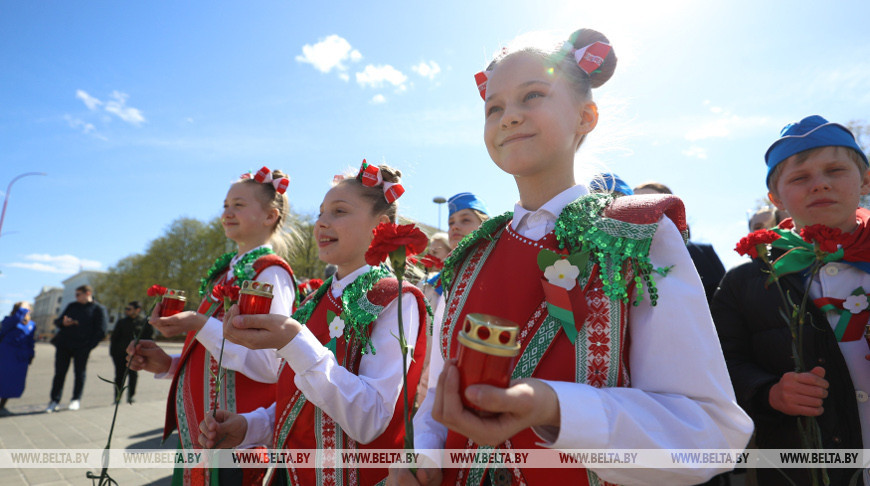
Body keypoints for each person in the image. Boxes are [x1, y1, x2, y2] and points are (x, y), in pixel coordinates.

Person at [389, 28, 752, 486]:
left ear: (586, 115)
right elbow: (440, 400)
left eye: (532, 95)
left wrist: (554, 407)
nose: (509, 117)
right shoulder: (470, 256)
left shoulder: (635, 232)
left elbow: (708, 432)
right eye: (494, 107)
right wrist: (422, 459)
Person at [198, 161, 429, 486]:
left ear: (381, 225)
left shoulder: (395, 298)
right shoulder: (315, 301)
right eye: (320, 213)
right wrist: (251, 426)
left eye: (339, 211)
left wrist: (294, 340)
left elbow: (372, 419)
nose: (321, 223)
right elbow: (300, 399)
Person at [713, 115, 870, 485]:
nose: (820, 184)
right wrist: (768, 392)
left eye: (835, 169)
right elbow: (720, 364)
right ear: (776, 198)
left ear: (864, 180)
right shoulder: (746, 283)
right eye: (800, 178)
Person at [128, 166, 297, 485]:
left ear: (270, 216)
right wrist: (168, 363)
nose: (227, 213)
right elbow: (217, 358)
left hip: (237, 443)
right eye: (225, 205)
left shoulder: (270, 273)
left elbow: (268, 364)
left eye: (239, 205)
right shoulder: (225, 275)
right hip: (201, 437)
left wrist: (198, 322)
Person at [632, 180, 726, 304]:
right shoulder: (623, 256)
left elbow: (722, 302)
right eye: (633, 204)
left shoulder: (702, 252)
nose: (641, 210)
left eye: (648, 202)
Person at [46, 285, 106, 413]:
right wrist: (63, 323)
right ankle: (54, 400)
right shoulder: (72, 306)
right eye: (76, 294)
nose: (76, 297)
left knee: (79, 373)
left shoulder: (98, 309)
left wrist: (89, 347)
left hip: (82, 347)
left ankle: (75, 399)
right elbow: (58, 321)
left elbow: (101, 331)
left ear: (87, 293)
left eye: (78, 294)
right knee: (59, 373)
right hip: (64, 345)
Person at [109, 301, 152, 404]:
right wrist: (113, 353)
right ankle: (117, 398)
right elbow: (114, 339)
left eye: (129, 309)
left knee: (133, 375)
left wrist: (143, 353)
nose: (126, 311)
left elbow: (150, 339)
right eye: (126, 309)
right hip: (120, 355)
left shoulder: (144, 323)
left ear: (137, 310)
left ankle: (131, 396)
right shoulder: (122, 322)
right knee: (119, 376)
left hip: (136, 355)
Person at [0, 302, 36, 417]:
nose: (28, 309)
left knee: (13, 383)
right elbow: (8, 325)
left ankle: (2, 406)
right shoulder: (9, 321)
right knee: (2, 380)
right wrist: (22, 310)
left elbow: (31, 341)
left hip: (21, 358)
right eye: (25, 308)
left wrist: (31, 355)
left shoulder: (31, 324)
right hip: (6, 356)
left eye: (28, 308)